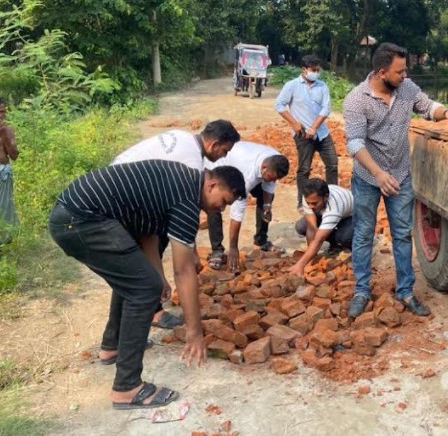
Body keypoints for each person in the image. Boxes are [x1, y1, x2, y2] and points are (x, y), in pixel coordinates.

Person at [48, 161, 245, 410]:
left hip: (75, 216)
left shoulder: (183, 181)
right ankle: (127, 388)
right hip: (82, 221)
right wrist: (195, 332)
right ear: (213, 184)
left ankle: (112, 347)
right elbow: (184, 271)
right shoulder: (186, 201)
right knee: (143, 289)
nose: (222, 209)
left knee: (138, 281)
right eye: (224, 201)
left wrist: (157, 276)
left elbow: (147, 233)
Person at [343, 43, 448, 318]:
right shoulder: (356, 100)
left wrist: (446, 112)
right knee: (363, 233)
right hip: (368, 177)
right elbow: (354, 143)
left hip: (400, 175)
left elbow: (427, 106)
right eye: (400, 71)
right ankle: (361, 290)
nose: (405, 75)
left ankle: (406, 291)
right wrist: (377, 173)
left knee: (401, 233)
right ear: (382, 72)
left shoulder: (406, 89)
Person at [112, 119, 241, 330]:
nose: (223, 156)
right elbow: (185, 218)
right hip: (123, 198)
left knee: (141, 259)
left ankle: (116, 337)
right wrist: (193, 256)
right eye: (225, 151)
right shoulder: (191, 163)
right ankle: (150, 314)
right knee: (139, 268)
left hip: (121, 185)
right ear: (214, 144)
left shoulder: (183, 138)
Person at [205, 141, 290, 272]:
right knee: (214, 206)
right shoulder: (247, 174)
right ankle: (217, 250)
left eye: (275, 179)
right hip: (219, 166)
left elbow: (269, 186)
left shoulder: (275, 162)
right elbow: (237, 214)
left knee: (265, 195)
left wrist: (267, 206)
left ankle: (261, 241)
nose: (272, 181)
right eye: (270, 177)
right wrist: (233, 247)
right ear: (264, 167)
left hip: (244, 165)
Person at [274, 55, 338, 211]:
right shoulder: (292, 86)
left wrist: (314, 127)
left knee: (333, 165)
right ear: (303, 70)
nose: (316, 73)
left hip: (321, 133)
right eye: (313, 70)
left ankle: (332, 199)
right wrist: (295, 124)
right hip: (302, 136)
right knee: (304, 169)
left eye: (317, 70)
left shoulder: (322, 86)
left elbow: (326, 108)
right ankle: (303, 202)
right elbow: (279, 105)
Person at [289, 178, 353, 277]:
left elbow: (319, 239)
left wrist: (300, 265)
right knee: (301, 226)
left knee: (344, 237)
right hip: (329, 213)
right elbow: (312, 228)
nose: (310, 206)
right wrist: (310, 258)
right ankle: (334, 244)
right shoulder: (309, 196)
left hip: (352, 216)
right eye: (308, 203)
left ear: (325, 197)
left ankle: (355, 250)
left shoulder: (334, 207)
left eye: (314, 203)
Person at [0, 98, 19, 239]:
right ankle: (5, 239)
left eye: (3, 112)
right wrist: (10, 138)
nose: (2, 115)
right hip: (2, 171)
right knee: (4, 207)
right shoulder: (5, 129)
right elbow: (13, 155)